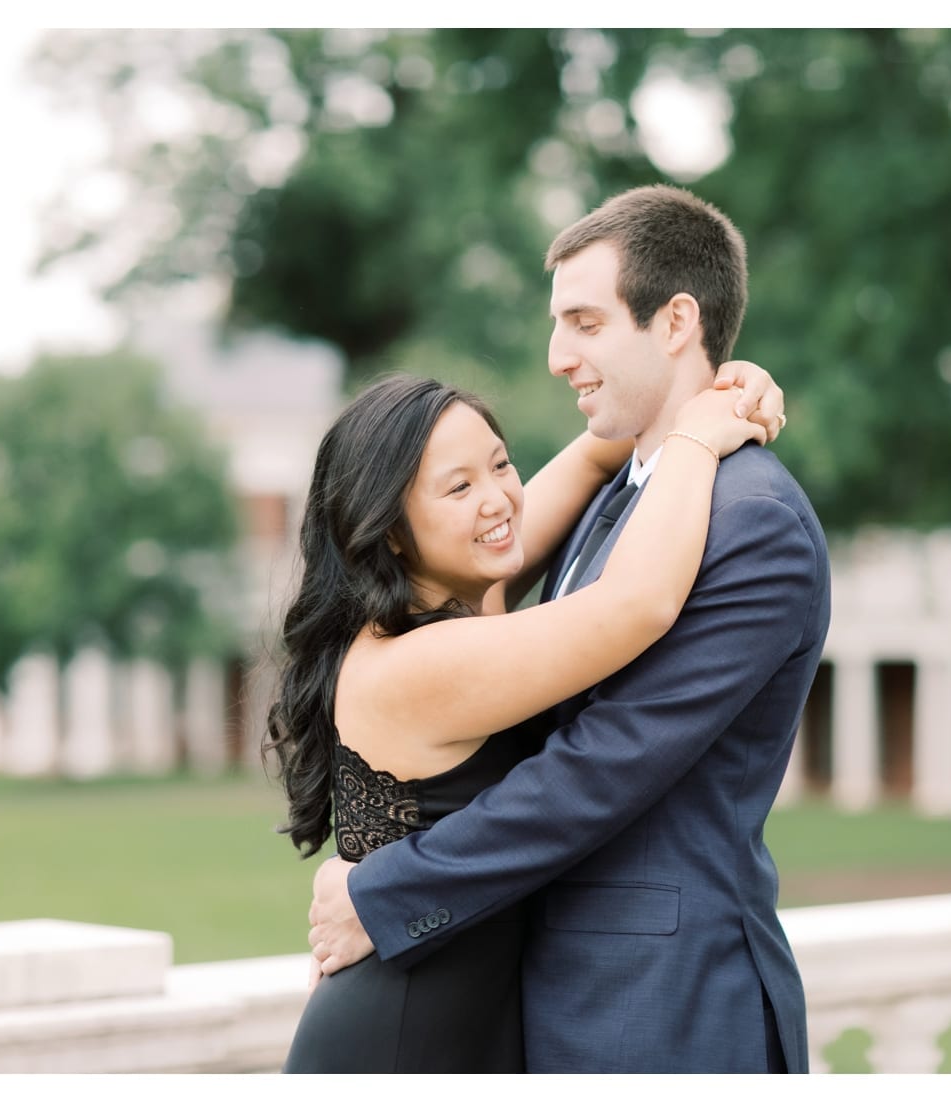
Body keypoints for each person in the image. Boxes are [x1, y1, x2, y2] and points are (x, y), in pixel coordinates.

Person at [307, 184, 832, 1073]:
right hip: (504, 999)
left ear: (674, 322)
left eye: (584, 323)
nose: (557, 356)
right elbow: (597, 591)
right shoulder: (623, 497)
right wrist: (707, 407)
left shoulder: (752, 524)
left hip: (662, 1004)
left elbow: (603, 763)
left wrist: (384, 890)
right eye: (456, 486)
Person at [271, 365, 785, 1072]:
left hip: (463, 1025)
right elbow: (637, 605)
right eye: (459, 487)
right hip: (401, 1040)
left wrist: (730, 384)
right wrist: (697, 439)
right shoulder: (414, 664)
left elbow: (604, 445)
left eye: (501, 464)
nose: (499, 499)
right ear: (391, 530)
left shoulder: (462, 584)